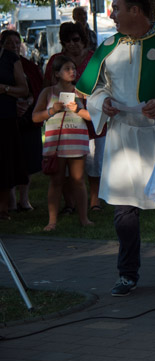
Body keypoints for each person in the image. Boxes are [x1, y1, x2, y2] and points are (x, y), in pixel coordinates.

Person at [76, 0, 155, 297]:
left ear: (135, 11)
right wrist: (102, 102)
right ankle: (127, 275)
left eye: (116, 8)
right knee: (124, 211)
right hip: (123, 138)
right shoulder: (109, 46)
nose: (111, 14)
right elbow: (95, 88)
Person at [44, 22, 104, 214]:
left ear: (83, 39)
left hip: (91, 117)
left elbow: (106, 84)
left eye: (76, 39)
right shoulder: (56, 60)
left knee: (94, 162)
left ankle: (94, 201)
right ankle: (70, 203)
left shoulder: (94, 59)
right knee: (66, 166)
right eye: (67, 40)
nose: (72, 44)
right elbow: (47, 87)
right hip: (66, 122)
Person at [32, 55, 93, 231]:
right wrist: (52, 110)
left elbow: (93, 116)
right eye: (67, 69)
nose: (72, 72)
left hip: (77, 142)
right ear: (57, 73)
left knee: (78, 180)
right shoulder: (48, 92)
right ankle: (52, 221)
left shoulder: (81, 92)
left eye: (73, 68)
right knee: (56, 181)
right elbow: (35, 117)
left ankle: (84, 219)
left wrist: (78, 110)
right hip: (56, 144)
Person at [1, 30, 41, 212]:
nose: (14, 46)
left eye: (17, 43)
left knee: (28, 159)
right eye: (9, 42)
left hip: (28, 118)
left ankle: (24, 200)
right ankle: (9, 201)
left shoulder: (29, 66)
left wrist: (28, 102)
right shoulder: (4, 62)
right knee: (8, 160)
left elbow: (36, 89)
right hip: (8, 117)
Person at [0, 34, 30, 220]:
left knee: (5, 162)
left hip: (5, 118)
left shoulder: (10, 58)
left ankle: (3, 209)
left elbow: (24, 89)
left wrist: (5, 89)